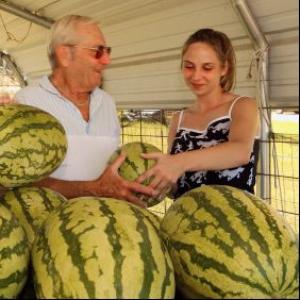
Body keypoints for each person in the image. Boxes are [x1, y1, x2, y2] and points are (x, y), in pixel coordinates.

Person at [0, 15, 155, 207]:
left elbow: (113, 166)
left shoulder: (107, 102)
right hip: (52, 228)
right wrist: (92, 188)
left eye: (107, 51)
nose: (107, 60)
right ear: (65, 55)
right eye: (97, 51)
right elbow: (22, 182)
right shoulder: (28, 103)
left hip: (101, 225)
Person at [137, 28, 260, 199]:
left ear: (224, 69)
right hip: (186, 222)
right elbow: (176, 187)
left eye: (207, 68)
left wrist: (179, 162)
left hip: (233, 222)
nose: (196, 75)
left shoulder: (242, 106)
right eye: (189, 67)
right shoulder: (178, 120)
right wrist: (153, 183)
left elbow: (240, 151)